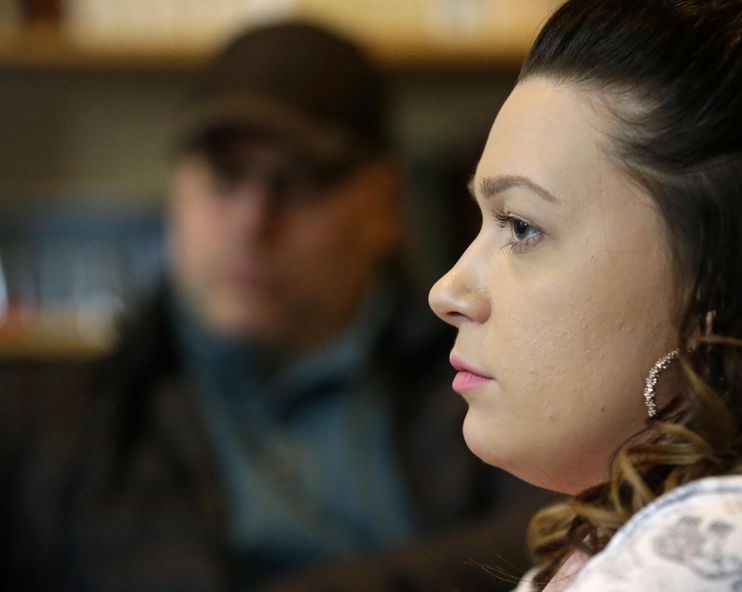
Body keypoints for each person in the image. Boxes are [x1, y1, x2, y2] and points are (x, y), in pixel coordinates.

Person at [0, 22, 545, 592]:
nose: (252, 222)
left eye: (300, 182)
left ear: (383, 204)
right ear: (175, 189)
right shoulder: (60, 422)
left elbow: (560, 530)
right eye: (224, 176)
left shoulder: (483, 391)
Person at [428, 0, 742, 590]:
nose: (447, 292)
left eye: (521, 226)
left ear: (730, 282)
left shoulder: (739, 544)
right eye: (483, 222)